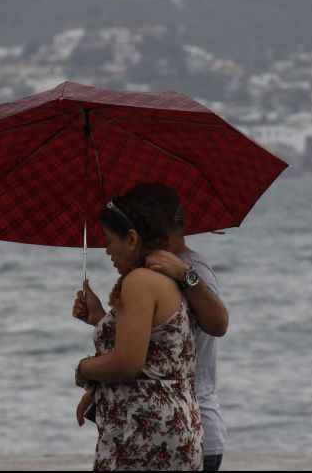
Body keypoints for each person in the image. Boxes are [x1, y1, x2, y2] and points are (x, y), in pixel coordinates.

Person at [74, 182, 229, 471]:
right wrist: (101, 320)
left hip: (161, 430)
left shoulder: (184, 268)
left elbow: (218, 324)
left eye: (109, 241)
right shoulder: (152, 273)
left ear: (135, 233)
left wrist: (83, 369)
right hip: (176, 424)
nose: (106, 250)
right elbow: (157, 343)